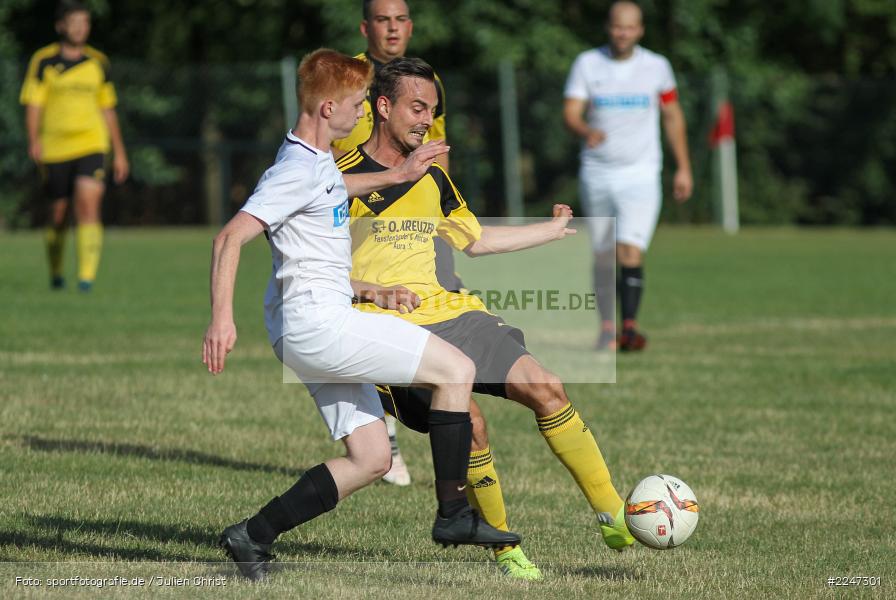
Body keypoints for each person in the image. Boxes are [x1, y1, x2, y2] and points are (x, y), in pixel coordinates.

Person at [202, 49, 519, 582]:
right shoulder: (296, 169)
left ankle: (251, 536)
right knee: (457, 369)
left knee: (370, 457)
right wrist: (220, 319)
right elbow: (230, 236)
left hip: (307, 325)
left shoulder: (315, 158)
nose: (362, 114)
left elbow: (333, 192)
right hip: (320, 325)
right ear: (328, 108)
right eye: (355, 105)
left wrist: (398, 181)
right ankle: (454, 515)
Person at [339, 58, 636, 576]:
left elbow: (474, 240)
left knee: (546, 386)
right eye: (416, 107)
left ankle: (613, 512)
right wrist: (370, 291)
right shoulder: (340, 182)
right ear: (383, 107)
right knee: (470, 424)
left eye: (432, 109)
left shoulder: (432, 175)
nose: (427, 119)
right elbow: (311, 270)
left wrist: (548, 231)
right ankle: (504, 547)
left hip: (452, 311)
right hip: (386, 331)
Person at [333, 0, 462, 487]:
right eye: (382, 20)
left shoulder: (427, 82)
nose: (392, 28)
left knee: (416, 322)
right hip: (356, 218)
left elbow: (437, 153)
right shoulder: (346, 76)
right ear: (366, 27)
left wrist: (440, 222)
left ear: (410, 26)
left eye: (400, 19)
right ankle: (380, 437)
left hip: (410, 226)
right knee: (370, 319)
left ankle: (395, 428)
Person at [563, 0, 693, 351]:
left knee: (630, 250)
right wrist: (584, 129)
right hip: (598, 171)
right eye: (617, 26)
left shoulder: (657, 67)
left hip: (641, 172)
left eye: (630, 27)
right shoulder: (588, 64)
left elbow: (672, 116)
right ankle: (607, 329)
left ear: (640, 30)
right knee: (604, 252)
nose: (623, 33)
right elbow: (571, 111)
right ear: (609, 27)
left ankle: (630, 328)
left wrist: (683, 166)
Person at [19, 0, 129, 292]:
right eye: (75, 22)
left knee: (88, 204)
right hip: (55, 147)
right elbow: (33, 104)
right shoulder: (43, 60)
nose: (81, 27)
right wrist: (33, 140)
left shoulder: (98, 62)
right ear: (61, 26)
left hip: (92, 143)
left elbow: (108, 108)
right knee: (58, 214)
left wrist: (119, 151)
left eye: (85, 22)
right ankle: (56, 274)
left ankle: (86, 280)